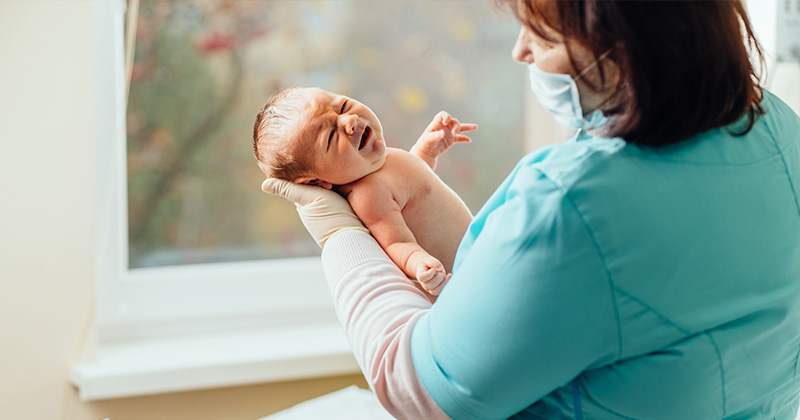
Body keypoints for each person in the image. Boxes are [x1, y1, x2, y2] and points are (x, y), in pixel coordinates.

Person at [262, 0, 800, 419]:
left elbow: (415, 389)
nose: (520, 52)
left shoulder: (571, 206)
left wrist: (337, 235)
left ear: (623, 43)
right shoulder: (776, 123)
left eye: (540, 33)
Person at [253, 87, 476, 296]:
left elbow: (414, 186)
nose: (349, 120)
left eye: (342, 106)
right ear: (316, 183)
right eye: (331, 137)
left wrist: (426, 150)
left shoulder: (381, 163)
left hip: (477, 253)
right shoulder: (368, 195)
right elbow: (397, 243)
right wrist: (420, 264)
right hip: (463, 280)